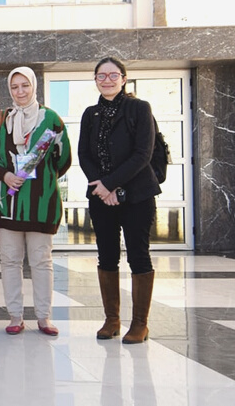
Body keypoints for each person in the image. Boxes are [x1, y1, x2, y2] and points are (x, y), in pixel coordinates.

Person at [0, 67, 71, 336]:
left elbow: (63, 157)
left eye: (25, 86)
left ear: (34, 87)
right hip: (5, 202)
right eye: (15, 87)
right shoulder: (0, 118)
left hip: (41, 204)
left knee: (42, 261)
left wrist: (41, 178)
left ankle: (44, 317)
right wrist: (5, 175)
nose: (20, 92)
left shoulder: (51, 119)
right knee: (10, 261)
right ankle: (15, 316)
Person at [78, 56, 160, 344]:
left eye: (113, 75)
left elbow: (143, 154)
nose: (107, 80)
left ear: (124, 78)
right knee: (107, 255)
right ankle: (112, 319)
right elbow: (84, 155)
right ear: (96, 80)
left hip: (138, 195)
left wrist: (110, 184)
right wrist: (102, 188)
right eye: (102, 76)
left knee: (138, 255)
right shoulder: (90, 114)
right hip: (101, 197)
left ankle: (140, 324)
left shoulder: (139, 108)